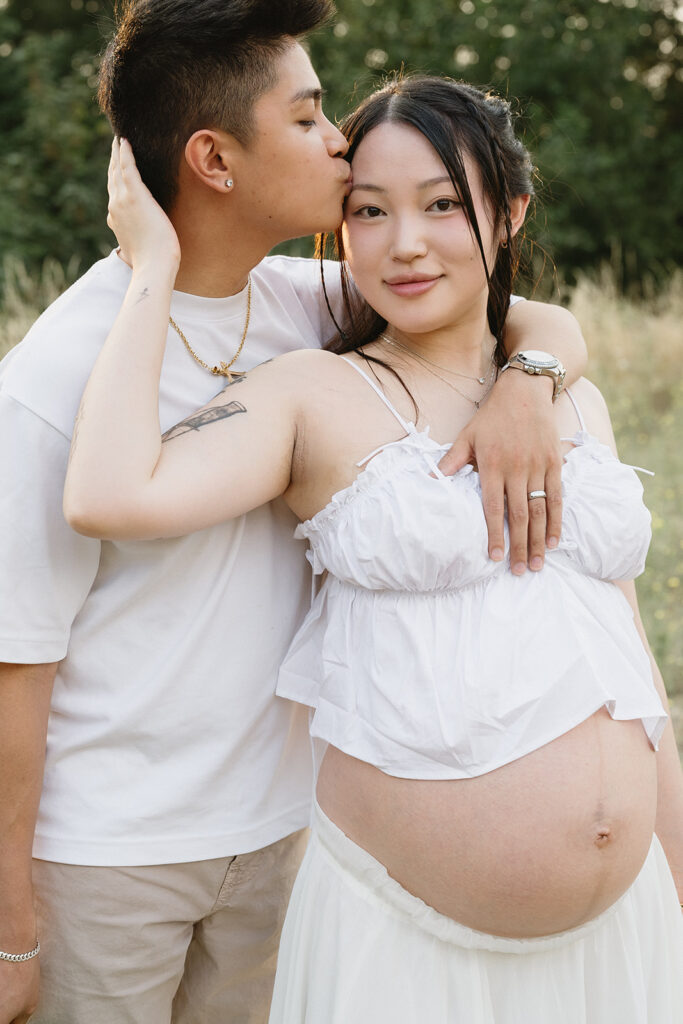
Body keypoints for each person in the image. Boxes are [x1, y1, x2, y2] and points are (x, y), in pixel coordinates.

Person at [0, 1, 590, 1021]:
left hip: (285, 836)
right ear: (215, 160)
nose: (338, 141)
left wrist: (528, 380)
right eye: (311, 116)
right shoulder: (54, 380)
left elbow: (505, 308)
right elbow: (14, 669)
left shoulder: (303, 304)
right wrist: (9, 925)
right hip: (107, 861)